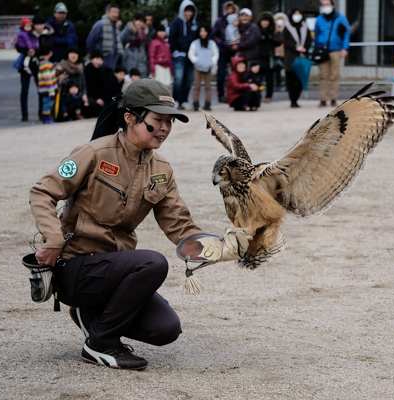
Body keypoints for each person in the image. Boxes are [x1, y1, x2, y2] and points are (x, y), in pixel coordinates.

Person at [29, 78, 250, 370]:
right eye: (157, 120)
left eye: (169, 122)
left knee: (166, 328)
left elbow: (180, 225)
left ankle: (92, 317)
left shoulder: (161, 170)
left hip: (113, 273)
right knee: (153, 263)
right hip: (75, 268)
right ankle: (99, 344)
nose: (164, 128)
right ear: (130, 118)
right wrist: (52, 240)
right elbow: (42, 191)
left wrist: (223, 247)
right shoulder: (93, 153)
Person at [314, 0, 350, 107]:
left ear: (332, 5)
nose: (326, 6)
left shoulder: (340, 17)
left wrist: (345, 48)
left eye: (327, 4)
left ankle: (333, 98)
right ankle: (323, 99)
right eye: (324, 5)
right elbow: (316, 34)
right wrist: (316, 49)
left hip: (336, 49)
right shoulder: (319, 19)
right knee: (323, 76)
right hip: (322, 50)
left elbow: (346, 33)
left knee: (334, 75)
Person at [169, 0, 198, 110]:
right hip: (179, 55)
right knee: (179, 79)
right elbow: (171, 37)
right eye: (186, 10)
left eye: (191, 11)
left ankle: (184, 100)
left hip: (191, 56)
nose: (189, 13)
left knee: (189, 79)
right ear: (182, 10)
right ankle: (175, 100)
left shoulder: (196, 24)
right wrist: (176, 50)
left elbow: (197, 39)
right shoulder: (175, 23)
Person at [211, 1, 239, 103]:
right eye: (228, 9)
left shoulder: (237, 21)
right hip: (223, 50)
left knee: (235, 73)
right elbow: (214, 35)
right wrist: (222, 43)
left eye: (232, 9)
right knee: (221, 73)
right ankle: (221, 94)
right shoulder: (220, 21)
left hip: (234, 51)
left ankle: (233, 94)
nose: (230, 11)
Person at [283, 9, 311, 108]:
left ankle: (296, 99)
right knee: (291, 80)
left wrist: (304, 48)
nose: (297, 15)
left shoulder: (305, 27)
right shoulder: (287, 27)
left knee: (300, 80)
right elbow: (285, 40)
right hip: (291, 57)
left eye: (299, 13)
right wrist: (295, 47)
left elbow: (309, 39)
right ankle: (292, 100)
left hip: (302, 56)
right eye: (295, 13)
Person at [188, 25, 218, 111]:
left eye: (205, 31)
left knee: (208, 86)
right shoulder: (195, 43)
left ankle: (208, 103)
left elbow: (215, 54)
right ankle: (196, 103)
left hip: (208, 67)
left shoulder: (211, 43)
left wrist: (212, 62)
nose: (203, 33)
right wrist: (196, 61)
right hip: (197, 67)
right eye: (201, 31)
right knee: (197, 85)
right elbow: (191, 54)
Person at [16, 16, 40, 122]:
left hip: (35, 61)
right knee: (24, 90)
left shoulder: (35, 34)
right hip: (26, 61)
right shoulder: (22, 34)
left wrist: (34, 51)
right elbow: (20, 46)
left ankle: (42, 112)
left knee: (41, 88)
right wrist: (28, 51)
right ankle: (24, 113)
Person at [86, 4, 124, 69]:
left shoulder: (115, 27)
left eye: (117, 12)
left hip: (112, 61)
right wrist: (93, 57)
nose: (116, 14)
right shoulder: (100, 25)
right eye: (114, 12)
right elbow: (90, 42)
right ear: (107, 12)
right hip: (100, 61)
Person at [257, 12, 282, 103]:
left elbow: (278, 42)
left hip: (269, 58)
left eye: (267, 21)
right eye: (263, 21)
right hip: (258, 57)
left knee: (269, 79)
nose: (265, 23)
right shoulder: (256, 30)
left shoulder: (271, 32)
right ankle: (257, 95)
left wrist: (270, 37)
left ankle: (269, 96)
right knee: (257, 78)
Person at [84, 50, 114, 118]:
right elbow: (88, 87)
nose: (99, 62)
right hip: (91, 97)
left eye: (101, 60)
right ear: (91, 60)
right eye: (97, 59)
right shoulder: (86, 70)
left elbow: (106, 87)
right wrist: (96, 98)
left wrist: (103, 98)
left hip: (102, 98)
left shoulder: (104, 71)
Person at [120, 13, 149, 78]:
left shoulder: (145, 33)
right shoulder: (127, 31)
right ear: (135, 20)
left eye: (142, 22)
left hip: (141, 59)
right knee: (128, 79)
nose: (140, 23)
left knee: (142, 78)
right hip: (129, 59)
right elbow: (120, 42)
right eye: (139, 21)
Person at [38, 44, 58, 124]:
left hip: (45, 89)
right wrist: (51, 91)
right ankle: (47, 119)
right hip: (47, 90)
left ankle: (47, 119)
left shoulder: (43, 63)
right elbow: (48, 79)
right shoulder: (46, 65)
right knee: (47, 104)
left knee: (47, 104)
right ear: (50, 52)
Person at [273, 13, 288, 92]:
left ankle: (287, 85)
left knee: (286, 70)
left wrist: (282, 30)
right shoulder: (273, 31)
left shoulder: (286, 30)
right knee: (277, 70)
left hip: (285, 53)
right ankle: (277, 84)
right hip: (276, 53)